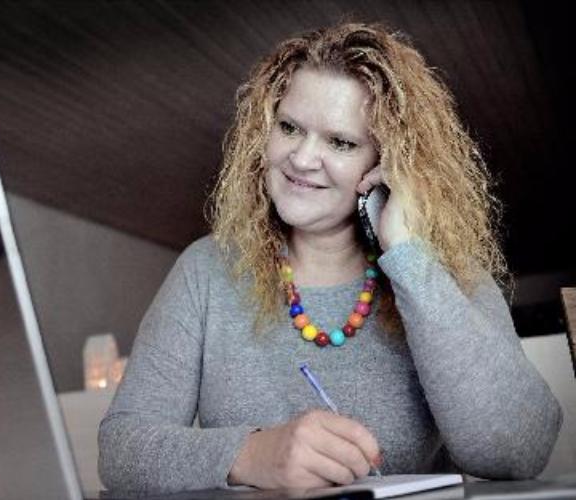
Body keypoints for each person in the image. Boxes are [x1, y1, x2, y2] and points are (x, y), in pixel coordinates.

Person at [98, 22, 562, 494]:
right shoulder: (205, 270)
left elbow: (518, 451)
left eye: (340, 142)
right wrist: (251, 454)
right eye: (289, 128)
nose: (302, 159)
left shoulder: (443, 272)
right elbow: (120, 451)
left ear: (388, 162)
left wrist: (407, 254)